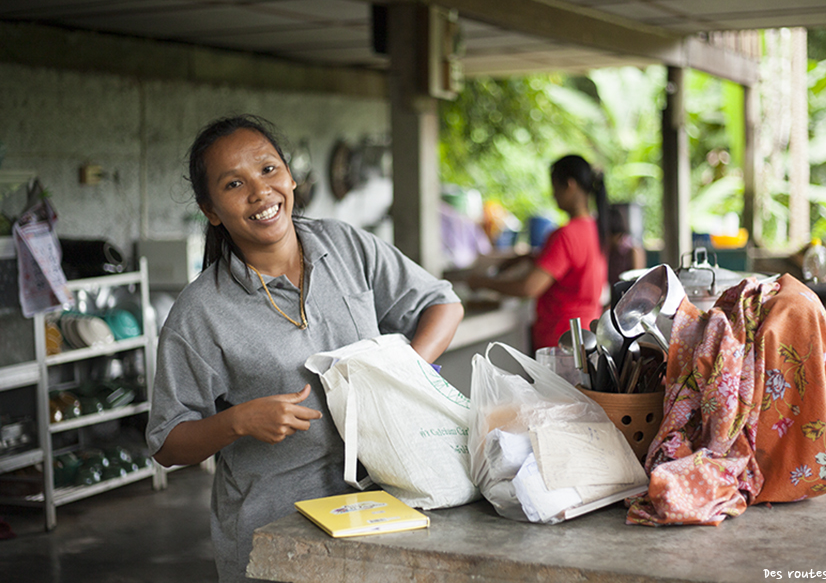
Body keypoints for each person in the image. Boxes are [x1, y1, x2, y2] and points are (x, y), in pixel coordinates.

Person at [145, 114, 464, 583]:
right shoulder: (200, 312)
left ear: (291, 176)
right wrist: (237, 421)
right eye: (234, 183)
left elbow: (442, 303)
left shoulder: (345, 245)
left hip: (383, 505)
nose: (260, 192)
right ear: (211, 209)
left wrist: (403, 372)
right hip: (276, 530)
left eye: (269, 169)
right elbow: (167, 442)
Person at [468, 154, 608, 351]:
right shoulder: (595, 228)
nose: (553, 194)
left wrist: (482, 282)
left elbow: (528, 287)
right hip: (587, 336)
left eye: (555, 187)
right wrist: (531, 258)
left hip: (561, 343)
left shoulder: (566, 234)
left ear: (569, 185)